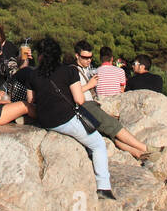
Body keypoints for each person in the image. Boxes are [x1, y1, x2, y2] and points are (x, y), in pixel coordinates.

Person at [24, 37, 114, 199]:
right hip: (65, 119)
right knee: (98, 145)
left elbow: (31, 101)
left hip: (45, 120)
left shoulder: (33, 75)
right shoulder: (69, 71)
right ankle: (104, 187)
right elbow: (79, 100)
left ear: (40, 56)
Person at [71, 41, 153, 160]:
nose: (89, 60)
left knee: (111, 133)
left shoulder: (92, 71)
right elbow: (75, 93)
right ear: (77, 56)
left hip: (95, 103)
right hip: (87, 106)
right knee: (114, 126)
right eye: (85, 58)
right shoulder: (73, 71)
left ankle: (137, 153)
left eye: (90, 57)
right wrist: (90, 85)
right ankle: (145, 148)